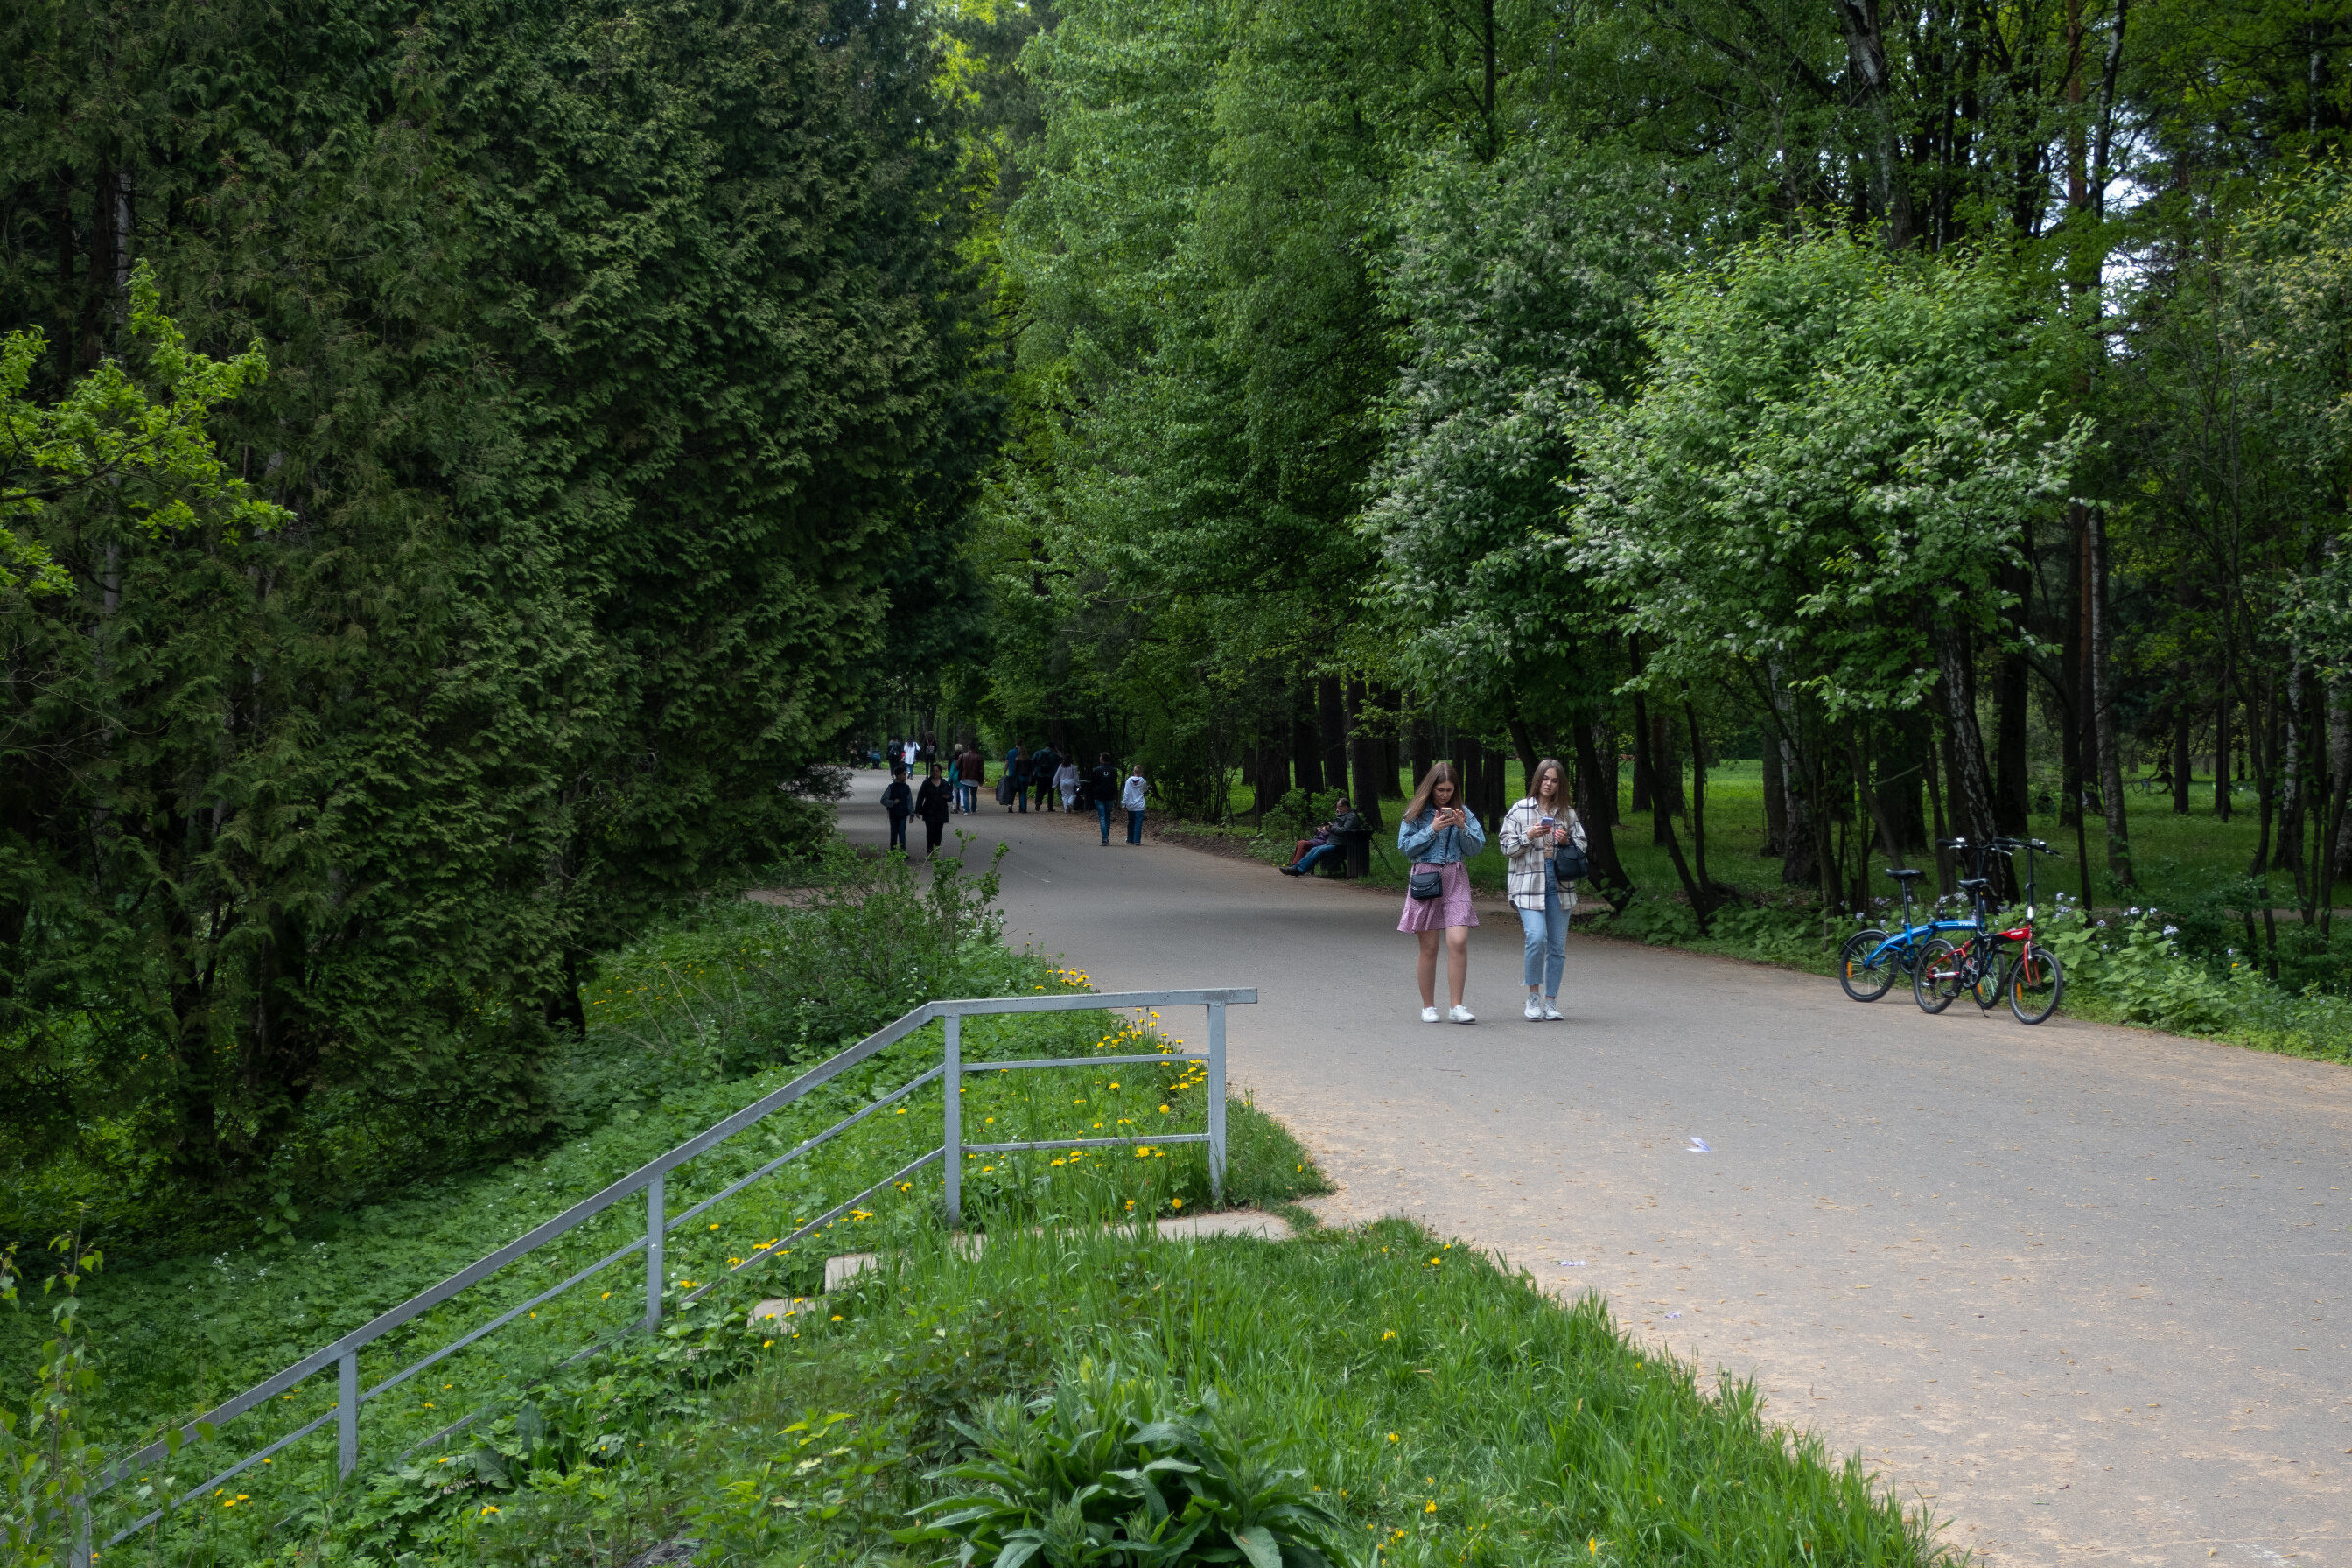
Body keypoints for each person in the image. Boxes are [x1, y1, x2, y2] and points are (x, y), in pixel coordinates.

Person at [1498, 757, 1585, 1022]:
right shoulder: (1520, 809)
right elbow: (1506, 847)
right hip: (1527, 882)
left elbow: (1582, 846)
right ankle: (1533, 996)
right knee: (1536, 938)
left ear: (1561, 784)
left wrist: (1567, 839)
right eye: (1545, 779)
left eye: (1555, 780)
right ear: (1537, 780)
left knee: (1557, 946)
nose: (1549, 784)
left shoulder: (1567, 812)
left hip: (1559, 884)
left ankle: (1552, 1001)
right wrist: (1528, 836)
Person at [1396, 762, 1485, 1024]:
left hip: (1455, 878)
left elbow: (1476, 847)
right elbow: (1405, 847)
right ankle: (1428, 1006)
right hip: (1426, 878)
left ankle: (1457, 1006)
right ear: (1430, 787)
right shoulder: (1417, 812)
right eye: (1439, 789)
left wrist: (1461, 827)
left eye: (1449, 790)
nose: (1444, 795)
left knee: (1458, 941)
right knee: (1430, 946)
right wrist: (1431, 830)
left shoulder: (1463, 812)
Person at [1282, 796, 1365, 877]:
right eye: (1336, 807)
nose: (1337, 809)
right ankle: (1295, 868)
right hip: (1335, 842)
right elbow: (1337, 829)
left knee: (1320, 849)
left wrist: (1331, 827)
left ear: (1346, 807)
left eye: (1339, 807)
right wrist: (1328, 828)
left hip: (1342, 845)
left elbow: (1344, 831)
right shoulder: (1343, 816)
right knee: (1315, 848)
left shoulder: (1351, 817)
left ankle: (1300, 870)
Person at [916, 763, 953, 857]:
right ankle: (929, 849)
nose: (935, 773)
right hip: (929, 810)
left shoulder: (945, 783)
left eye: (937, 771)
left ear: (940, 772)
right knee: (930, 830)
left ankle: (936, 849)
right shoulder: (926, 783)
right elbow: (921, 797)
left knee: (938, 831)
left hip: (941, 810)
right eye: (933, 771)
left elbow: (950, 796)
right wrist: (918, 810)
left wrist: (947, 797)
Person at [881, 766, 914, 855]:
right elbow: (883, 800)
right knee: (894, 833)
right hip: (893, 814)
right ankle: (893, 851)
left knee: (902, 832)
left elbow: (910, 801)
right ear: (898, 775)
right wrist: (892, 802)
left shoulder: (907, 788)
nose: (905, 776)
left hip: (903, 814)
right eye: (903, 774)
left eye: (905, 774)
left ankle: (902, 852)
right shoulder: (891, 787)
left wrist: (912, 814)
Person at [1089, 753, 1118, 845]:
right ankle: (1107, 836)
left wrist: (1095, 791)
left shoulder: (1096, 770)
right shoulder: (1114, 770)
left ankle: (1105, 838)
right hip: (1110, 796)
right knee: (1108, 817)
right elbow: (1114, 783)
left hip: (1099, 796)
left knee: (1102, 817)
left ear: (1102, 759)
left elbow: (1092, 783)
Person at [1121, 763, 1149, 844]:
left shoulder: (1128, 781)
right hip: (1139, 805)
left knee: (1131, 822)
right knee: (1138, 823)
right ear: (1141, 772)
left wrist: (1124, 804)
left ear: (1134, 771)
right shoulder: (1142, 781)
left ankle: (1130, 839)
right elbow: (1143, 790)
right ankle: (1137, 840)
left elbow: (1126, 793)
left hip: (1130, 805)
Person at [1031, 741, 1059, 812]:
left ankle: (1038, 801)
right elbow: (1062, 757)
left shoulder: (1037, 753)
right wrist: (1058, 750)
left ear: (1046, 746)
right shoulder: (1055, 754)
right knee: (1050, 791)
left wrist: (1034, 771)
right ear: (1053, 747)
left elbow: (1033, 762)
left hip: (1040, 774)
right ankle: (1050, 808)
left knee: (1039, 789)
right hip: (1051, 775)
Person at [957, 742, 984, 814]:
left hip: (965, 778)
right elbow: (981, 770)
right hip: (975, 778)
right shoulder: (979, 757)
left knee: (965, 794)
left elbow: (958, 766)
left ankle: (966, 811)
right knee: (973, 795)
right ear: (975, 747)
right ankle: (973, 810)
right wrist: (981, 781)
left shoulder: (963, 755)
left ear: (969, 747)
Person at [1003, 743, 1026, 811]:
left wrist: (1005, 771)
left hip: (1012, 774)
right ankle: (1021, 807)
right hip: (1021, 774)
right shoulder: (1024, 752)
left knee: (1012, 791)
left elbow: (1007, 762)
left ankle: (1010, 806)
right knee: (1021, 791)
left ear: (1016, 744)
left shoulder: (1011, 752)